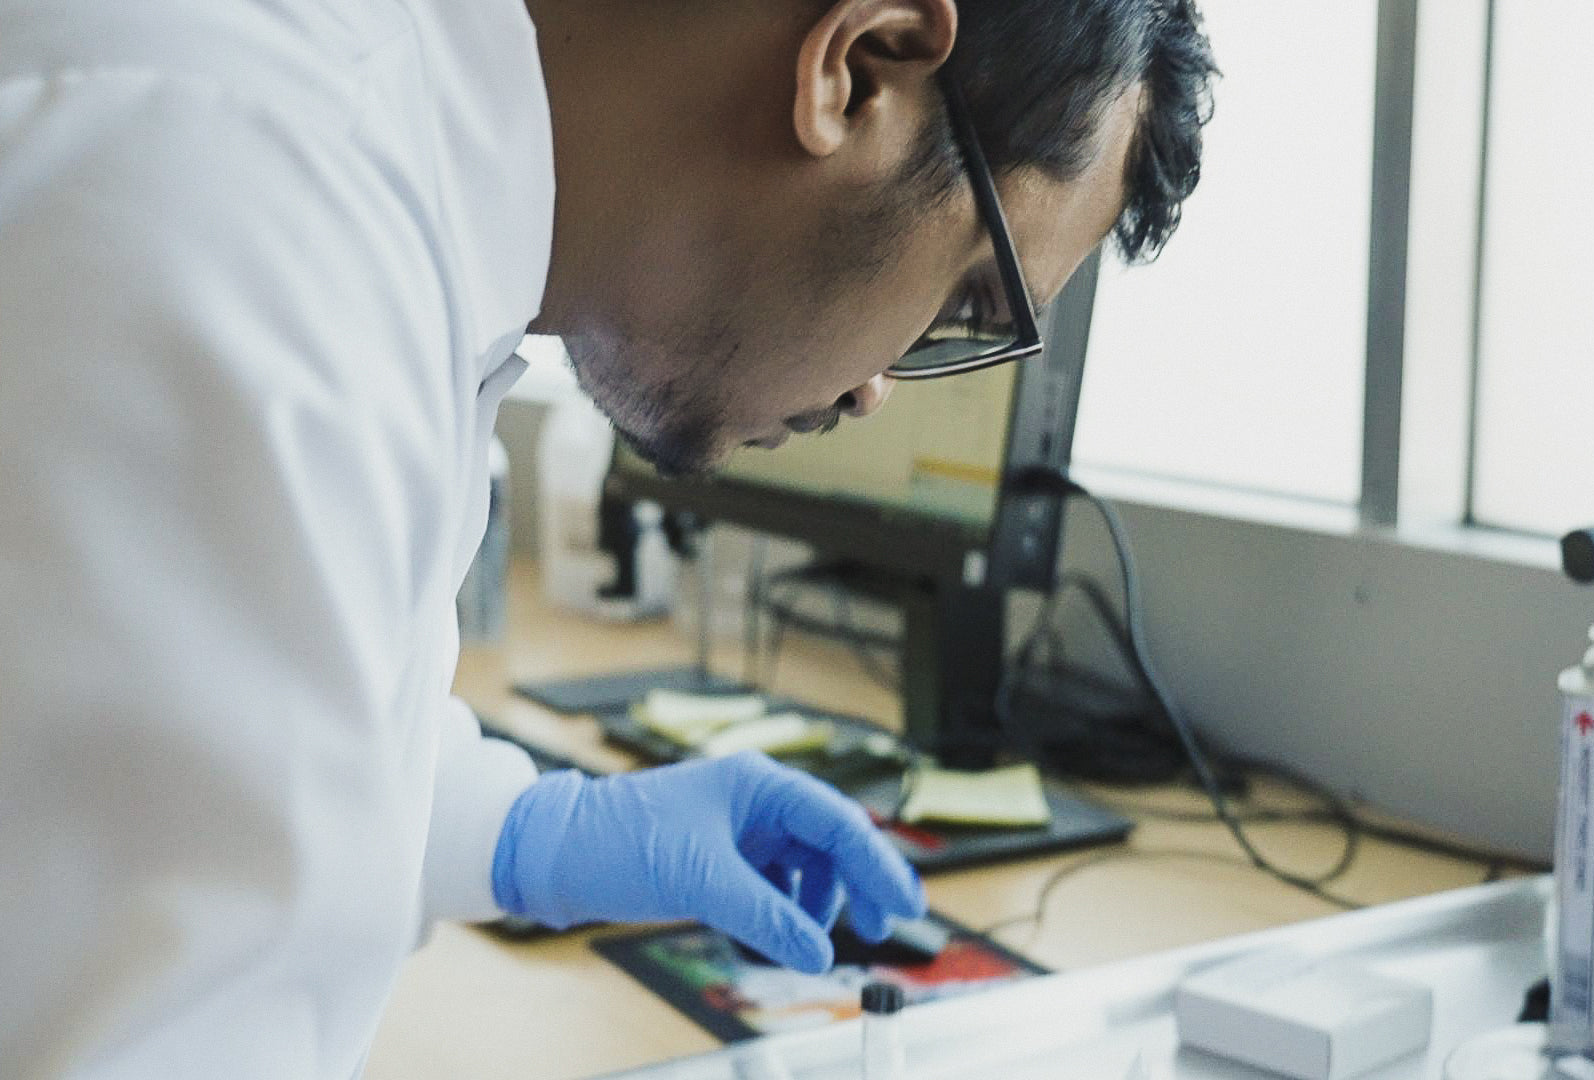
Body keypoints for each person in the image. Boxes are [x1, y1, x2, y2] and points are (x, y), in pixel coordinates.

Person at [0, 0, 1215, 1075]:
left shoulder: (378, 183)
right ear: (860, 66)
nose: (877, 392)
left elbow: (192, 754)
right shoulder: (252, 215)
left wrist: (523, 831)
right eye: (966, 304)